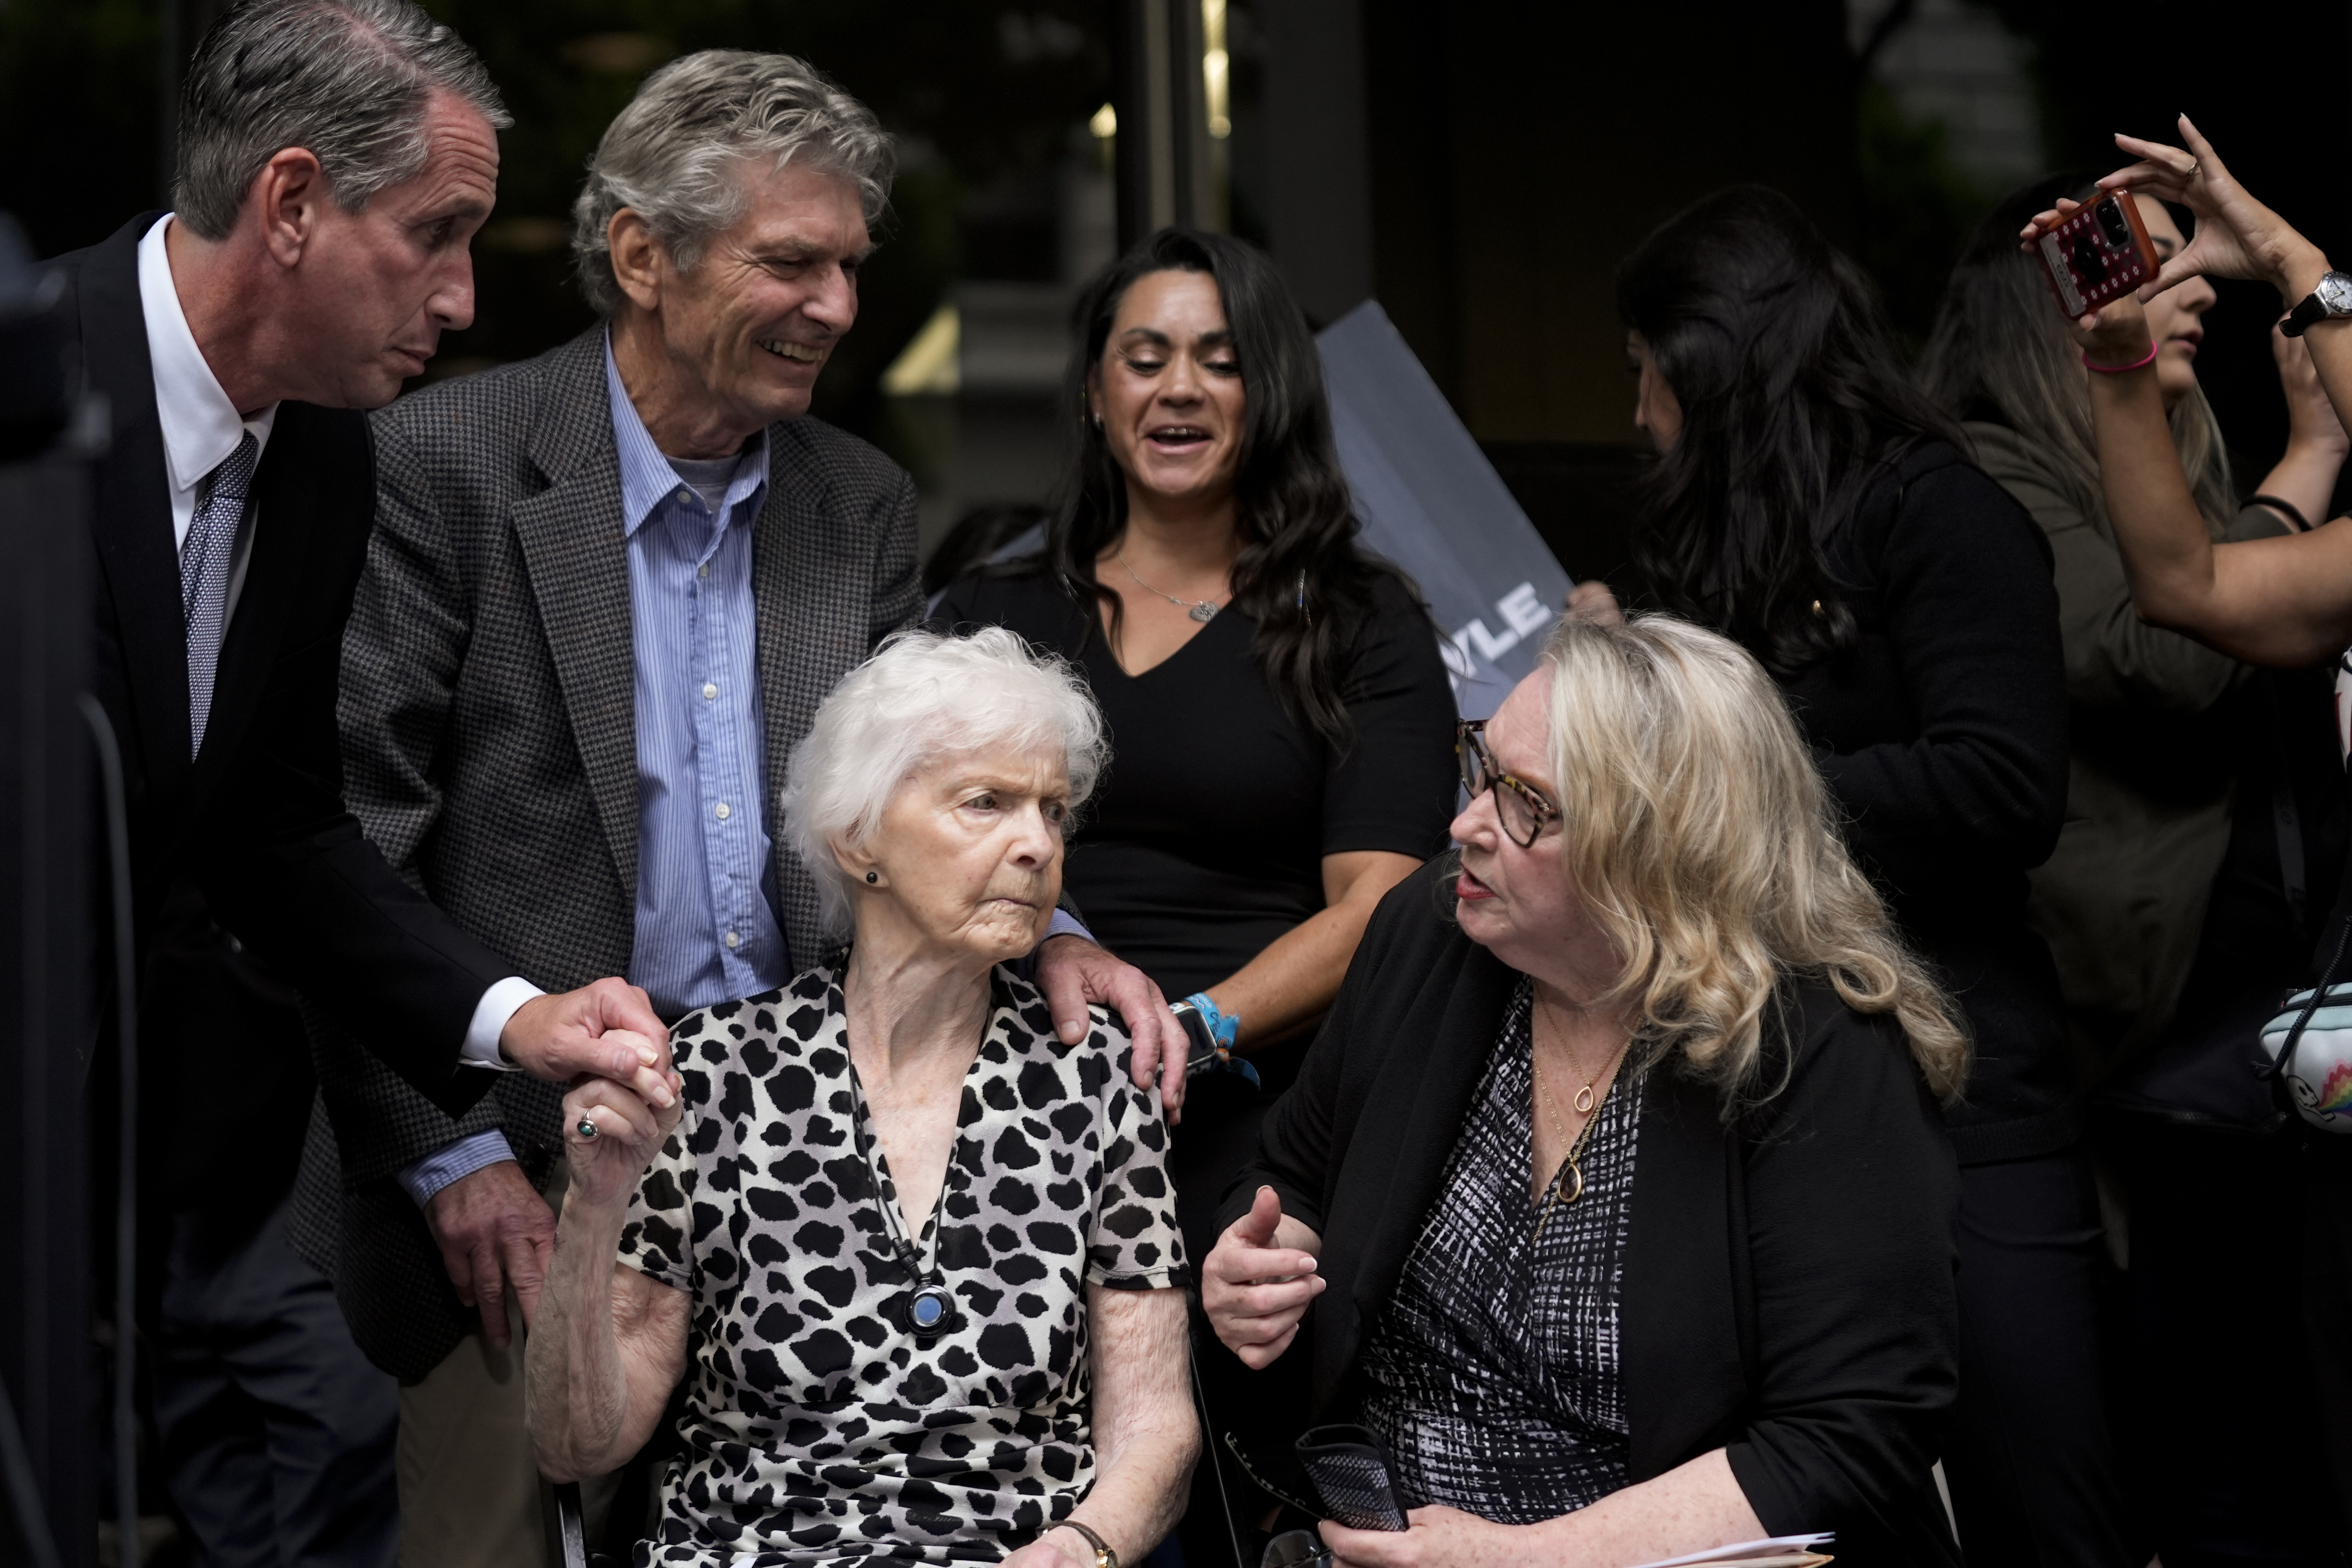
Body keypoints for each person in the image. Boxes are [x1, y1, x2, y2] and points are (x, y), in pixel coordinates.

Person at [285, 51, 1181, 1567]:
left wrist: (1058, 928)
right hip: (520, 1142)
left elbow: (915, 780)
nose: (837, 304)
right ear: (642, 255)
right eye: (792, 260)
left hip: (791, 1148)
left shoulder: (858, 499)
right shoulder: (440, 465)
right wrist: (453, 1154)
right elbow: (342, 848)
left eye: (849, 264)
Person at [42, 2, 668, 1559]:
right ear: (294, 204)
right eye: (436, 236)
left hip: (155, 1164)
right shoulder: (23, 387)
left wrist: (518, 1016)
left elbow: (280, 824)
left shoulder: (325, 454)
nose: (464, 298)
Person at [1581, 185, 2120, 1567]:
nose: (1637, 414)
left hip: (1965, 1087)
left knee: (2038, 1495)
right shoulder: (1713, 543)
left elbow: (2002, 787)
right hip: (1759, 1081)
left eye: (1645, 372)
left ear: (1706, 367)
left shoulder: (1943, 516)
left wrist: (1731, 768)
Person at [1201, 615, 1966, 1566]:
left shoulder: (1820, 1050)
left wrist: (1515, 1555)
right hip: (1378, 1537)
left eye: (1527, 804)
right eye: (1480, 767)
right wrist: (1261, 1264)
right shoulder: (1434, 931)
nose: (1465, 823)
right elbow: (1297, 1171)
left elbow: (1852, 1431)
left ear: (1659, 850)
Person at [528, 627, 1197, 1566]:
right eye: (987, 803)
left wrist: (1082, 1547)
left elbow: (1157, 1427)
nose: (1038, 842)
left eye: (1052, 809)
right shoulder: (714, 1071)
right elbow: (578, 1444)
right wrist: (593, 1208)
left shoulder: (1094, 1077)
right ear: (859, 839)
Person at [1925, 177, 2349, 1568]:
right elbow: (2174, 633)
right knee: (2197, 1433)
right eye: (2143, 267)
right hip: (2140, 1022)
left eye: (2181, 264)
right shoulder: (1996, 474)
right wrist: (2307, 455)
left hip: (2238, 1024)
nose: (2192, 291)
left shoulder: (2175, 451)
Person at [931, 227, 1458, 1272]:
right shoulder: (995, 609)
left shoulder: (1358, 621)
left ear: (1271, 395)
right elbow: (913, 859)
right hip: (996, 1077)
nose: (1181, 389)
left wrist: (1194, 1031)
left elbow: (1381, 908)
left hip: (1257, 1090)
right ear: (1095, 390)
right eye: (1147, 358)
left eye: (1221, 362)